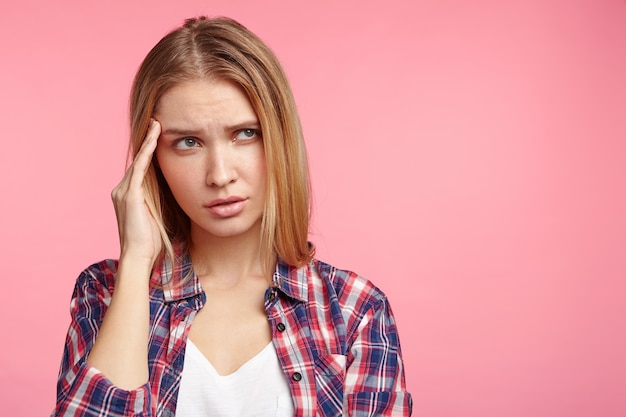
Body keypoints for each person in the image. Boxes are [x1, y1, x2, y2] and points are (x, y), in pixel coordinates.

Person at [53, 16, 412, 417]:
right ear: (151, 159)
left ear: (279, 138)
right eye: (188, 142)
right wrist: (136, 262)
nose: (220, 174)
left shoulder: (354, 311)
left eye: (245, 133)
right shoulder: (104, 293)